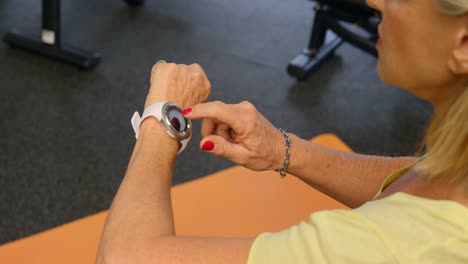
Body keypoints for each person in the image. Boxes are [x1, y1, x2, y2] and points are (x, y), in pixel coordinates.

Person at [96, 0, 468, 262]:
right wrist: (281, 149)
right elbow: (422, 183)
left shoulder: (400, 248)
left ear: (464, 43)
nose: (374, 2)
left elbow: (123, 258)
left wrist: (162, 120)